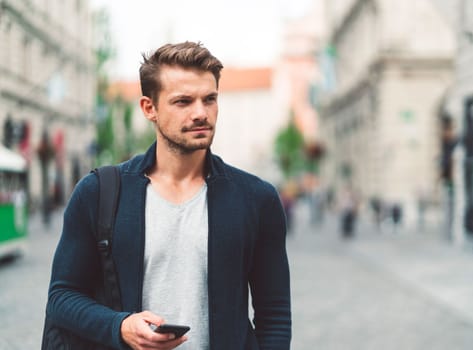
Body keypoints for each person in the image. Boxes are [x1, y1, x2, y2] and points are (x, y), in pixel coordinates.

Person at [44, 42, 292, 350]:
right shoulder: (98, 193)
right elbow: (62, 297)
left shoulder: (257, 199)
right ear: (150, 108)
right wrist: (120, 327)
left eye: (210, 99)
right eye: (183, 101)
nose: (201, 113)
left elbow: (275, 315)